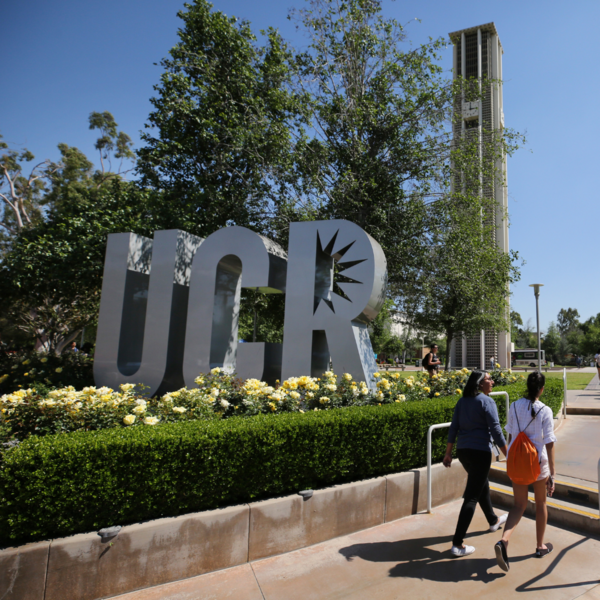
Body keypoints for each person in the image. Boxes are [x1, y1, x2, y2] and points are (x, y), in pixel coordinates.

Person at [494, 371, 557, 572]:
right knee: (541, 503)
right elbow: (549, 442)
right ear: (542, 389)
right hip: (537, 464)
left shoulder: (513, 405)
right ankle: (540, 546)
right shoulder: (545, 410)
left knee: (519, 505)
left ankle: (504, 540)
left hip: (518, 462)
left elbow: (511, 435)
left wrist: (510, 459)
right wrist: (553, 474)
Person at [443, 370, 508, 557]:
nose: (492, 381)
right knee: (472, 496)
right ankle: (457, 544)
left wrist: (448, 453)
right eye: (489, 379)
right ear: (480, 384)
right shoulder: (487, 401)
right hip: (480, 452)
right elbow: (496, 430)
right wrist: (509, 455)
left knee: (481, 484)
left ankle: (493, 520)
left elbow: (453, 427)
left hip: (463, 452)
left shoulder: (462, 402)